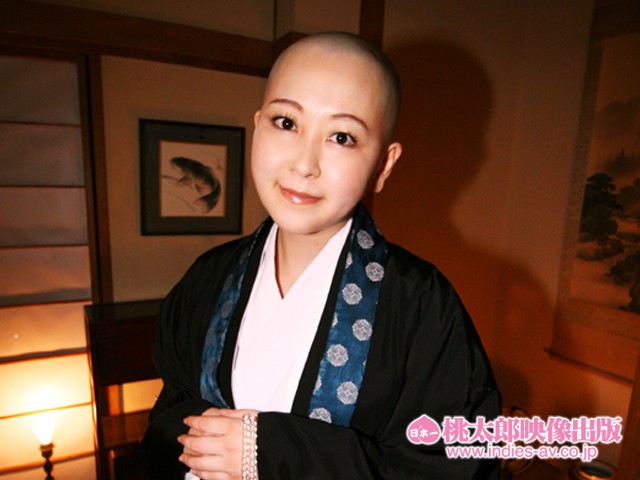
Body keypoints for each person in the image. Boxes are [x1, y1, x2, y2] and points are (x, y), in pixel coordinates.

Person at [142, 31, 501, 479]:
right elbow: (169, 412)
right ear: (257, 126)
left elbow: (457, 464)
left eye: (342, 137)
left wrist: (275, 453)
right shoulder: (209, 276)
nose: (304, 164)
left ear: (383, 165)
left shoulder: (421, 304)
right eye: (286, 123)